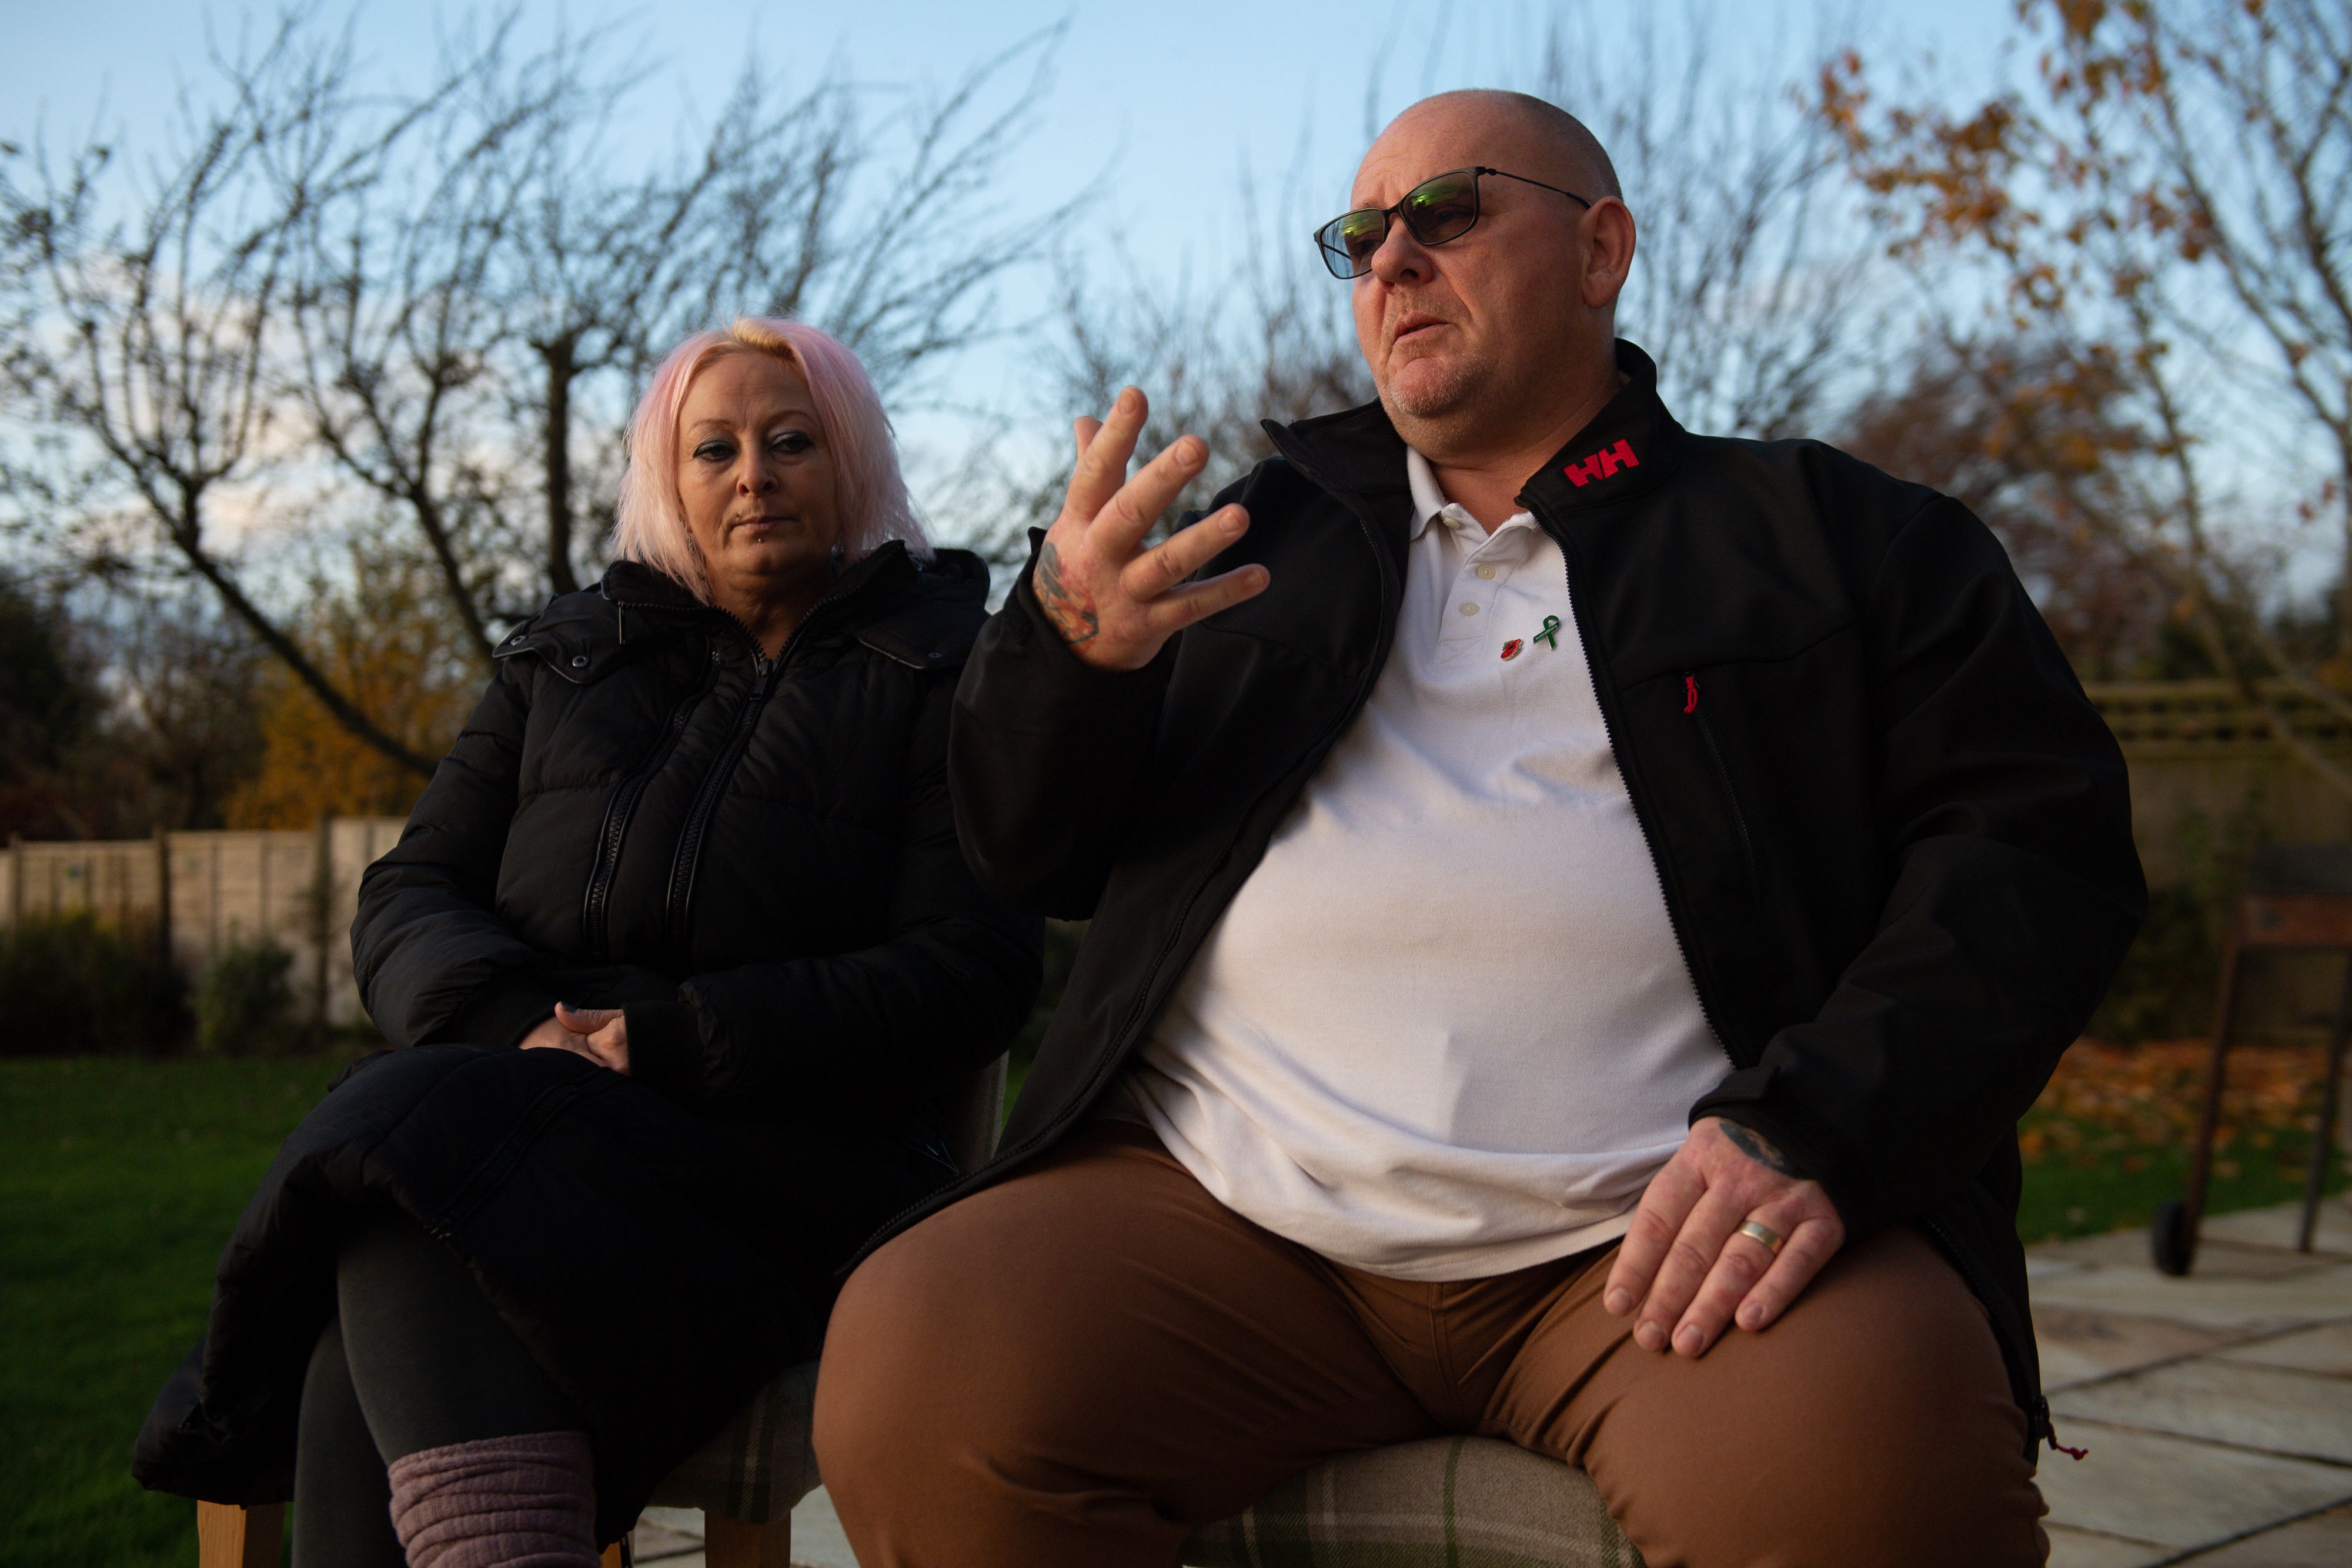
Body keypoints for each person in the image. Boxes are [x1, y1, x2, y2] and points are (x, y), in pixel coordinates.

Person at [814, 92, 2144, 1567]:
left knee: (1867, 1492)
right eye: (1359, 236)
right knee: (919, 1367)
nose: (1389, 261)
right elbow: (1027, 853)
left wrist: (1823, 1123)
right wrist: (1064, 653)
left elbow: (2036, 847)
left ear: (1598, 251)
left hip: (1659, 1238)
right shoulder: (1246, 547)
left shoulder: (1838, 538)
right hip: (1226, 1220)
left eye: (1444, 211)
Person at [132, 317, 1042, 1567]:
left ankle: (244, 1412)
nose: (751, 474)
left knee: (409, 1158)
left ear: (853, 465)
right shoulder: (566, 661)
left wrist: (663, 1038)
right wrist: (516, 1025)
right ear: (666, 480)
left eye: (791, 440)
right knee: (415, 1184)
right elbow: (408, 892)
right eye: (711, 447)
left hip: (797, 1163)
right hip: (523, 1104)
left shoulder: (947, 671)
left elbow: (972, 973)